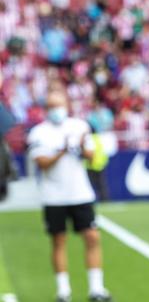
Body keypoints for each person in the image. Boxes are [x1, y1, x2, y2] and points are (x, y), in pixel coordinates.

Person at [26, 90, 112, 302]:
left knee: (92, 237)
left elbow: (92, 158)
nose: (58, 110)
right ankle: (63, 291)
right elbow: (42, 163)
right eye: (53, 106)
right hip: (54, 196)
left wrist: (82, 147)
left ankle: (96, 289)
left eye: (60, 104)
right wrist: (63, 150)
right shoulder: (38, 132)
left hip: (80, 193)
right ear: (47, 109)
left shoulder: (80, 126)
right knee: (58, 240)